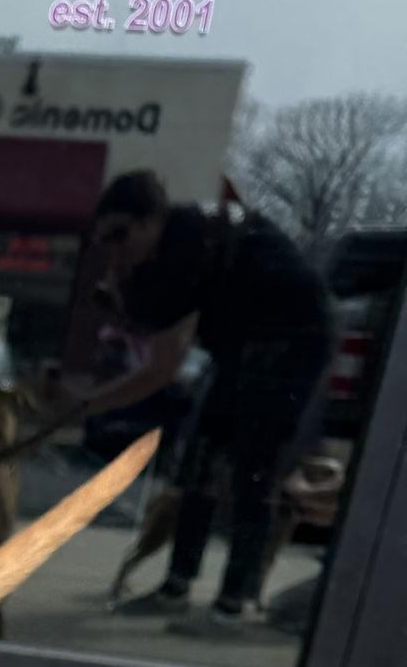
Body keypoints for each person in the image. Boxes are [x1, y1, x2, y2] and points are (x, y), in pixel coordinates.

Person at [45, 169, 332, 638]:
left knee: (253, 472)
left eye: (121, 235)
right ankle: (178, 585)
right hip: (242, 346)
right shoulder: (183, 247)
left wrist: (85, 406)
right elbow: (161, 352)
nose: (116, 250)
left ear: (151, 220)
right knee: (200, 463)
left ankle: (231, 604)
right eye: (105, 243)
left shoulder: (184, 245)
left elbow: (159, 368)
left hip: (291, 343)